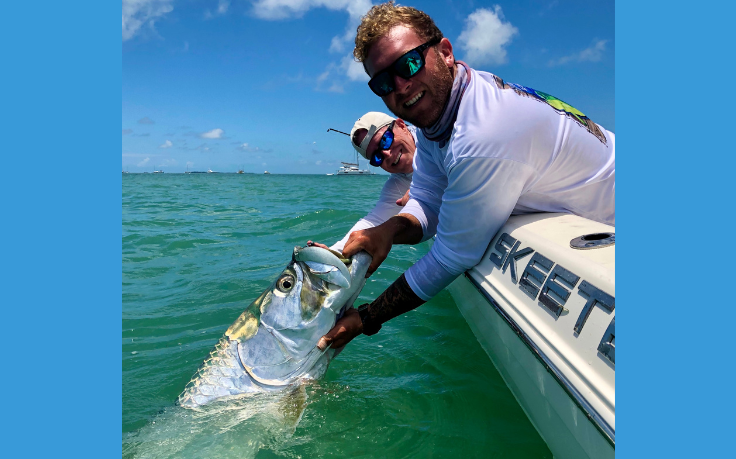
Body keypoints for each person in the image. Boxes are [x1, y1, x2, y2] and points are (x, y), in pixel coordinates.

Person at [317, 1, 615, 351]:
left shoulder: (482, 134)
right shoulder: (445, 112)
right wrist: (388, 231)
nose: (400, 86)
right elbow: (427, 199)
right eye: (382, 83)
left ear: (444, 52)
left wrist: (367, 317)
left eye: (409, 64)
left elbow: (452, 256)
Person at [326, 112, 417, 253]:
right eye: (377, 157)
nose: (386, 154)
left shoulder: (437, 135)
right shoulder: (395, 186)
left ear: (401, 125)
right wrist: (333, 254)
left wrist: (423, 193)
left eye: (385, 140)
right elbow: (372, 223)